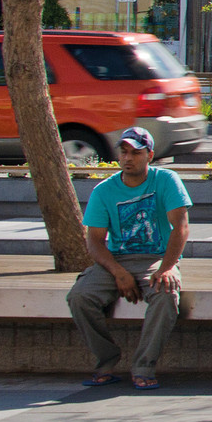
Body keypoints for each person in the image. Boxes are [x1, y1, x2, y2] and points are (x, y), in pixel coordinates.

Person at [67, 127, 191, 390]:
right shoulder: (104, 190)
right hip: (116, 259)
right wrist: (118, 272)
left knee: (166, 295)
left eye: (136, 152)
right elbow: (95, 241)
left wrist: (167, 267)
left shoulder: (166, 180)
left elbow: (180, 227)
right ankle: (106, 360)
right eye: (124, 152)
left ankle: (144, 365)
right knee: (79, 296)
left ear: (150, 155)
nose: (128, 158)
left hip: (156, 258)